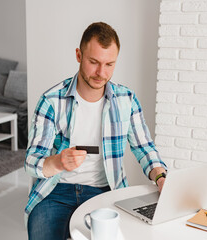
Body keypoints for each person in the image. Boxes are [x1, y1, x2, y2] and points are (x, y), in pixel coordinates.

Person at [24, 21, 167, 240]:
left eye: (109, 64)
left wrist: (161, 177)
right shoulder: (51, 101)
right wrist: (58, 162)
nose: (101, 72)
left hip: (105, 191)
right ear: (79, 55)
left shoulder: (126, 100)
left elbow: (145, 148)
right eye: (94, 62)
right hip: (56, 192)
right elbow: (31, 161)